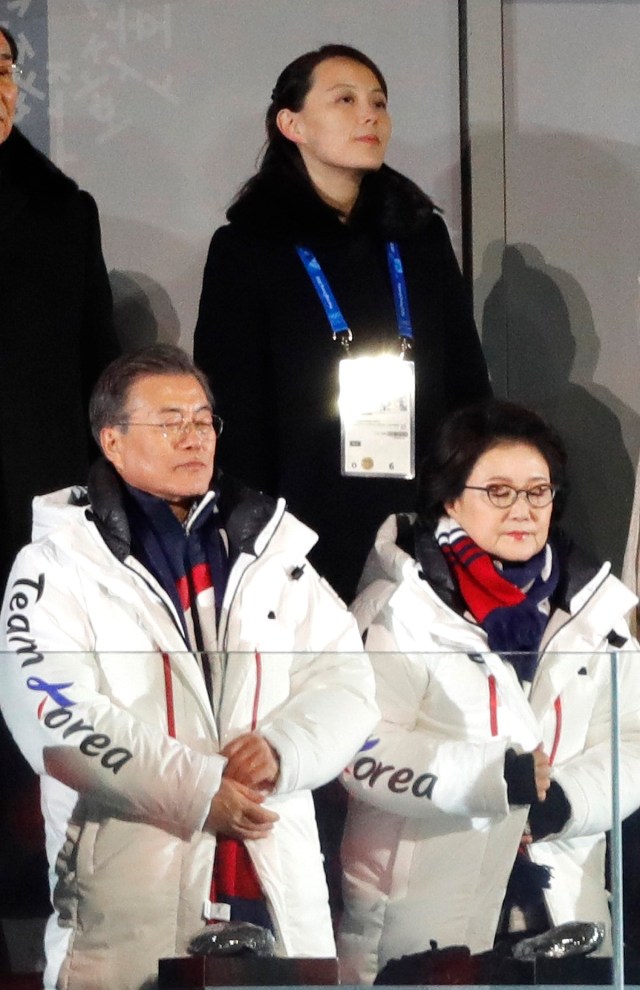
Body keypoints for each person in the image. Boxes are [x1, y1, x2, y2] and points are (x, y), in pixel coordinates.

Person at [0, 344, 378, 990]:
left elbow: (348, 683)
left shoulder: (272, 547)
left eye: (203, 421)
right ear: (111, 440)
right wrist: (199, 790)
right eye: (170, 421)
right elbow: (51, 713)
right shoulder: (56, 562)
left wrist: (283, 749)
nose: (194, 437)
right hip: (127, 907)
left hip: (276, 891)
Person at [338, 399, 640, 984]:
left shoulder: (598, 609)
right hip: (421, 920)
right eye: (498, 491)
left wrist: (564, 803)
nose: (523, 509)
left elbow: (633, 739)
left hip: (564, 909)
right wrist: (489, 780)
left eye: (538, 491)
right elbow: (358, 751)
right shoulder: (398, 608)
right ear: (450, 498)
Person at [194, 43, 491, 603]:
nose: (370, 115)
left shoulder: (420, 237)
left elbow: (466, 385)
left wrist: (470, 501)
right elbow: (235, 409)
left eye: (379, 102)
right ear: (292, 124)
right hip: (301, 528)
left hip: (422, 517)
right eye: (346, 100)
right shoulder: (248, 247)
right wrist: (255, 540)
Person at [0, 24, 118, 957]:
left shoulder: (59, 209)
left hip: (28, 501)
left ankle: (50, 916)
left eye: (4, 70)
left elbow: (95, 366)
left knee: (42, 705)